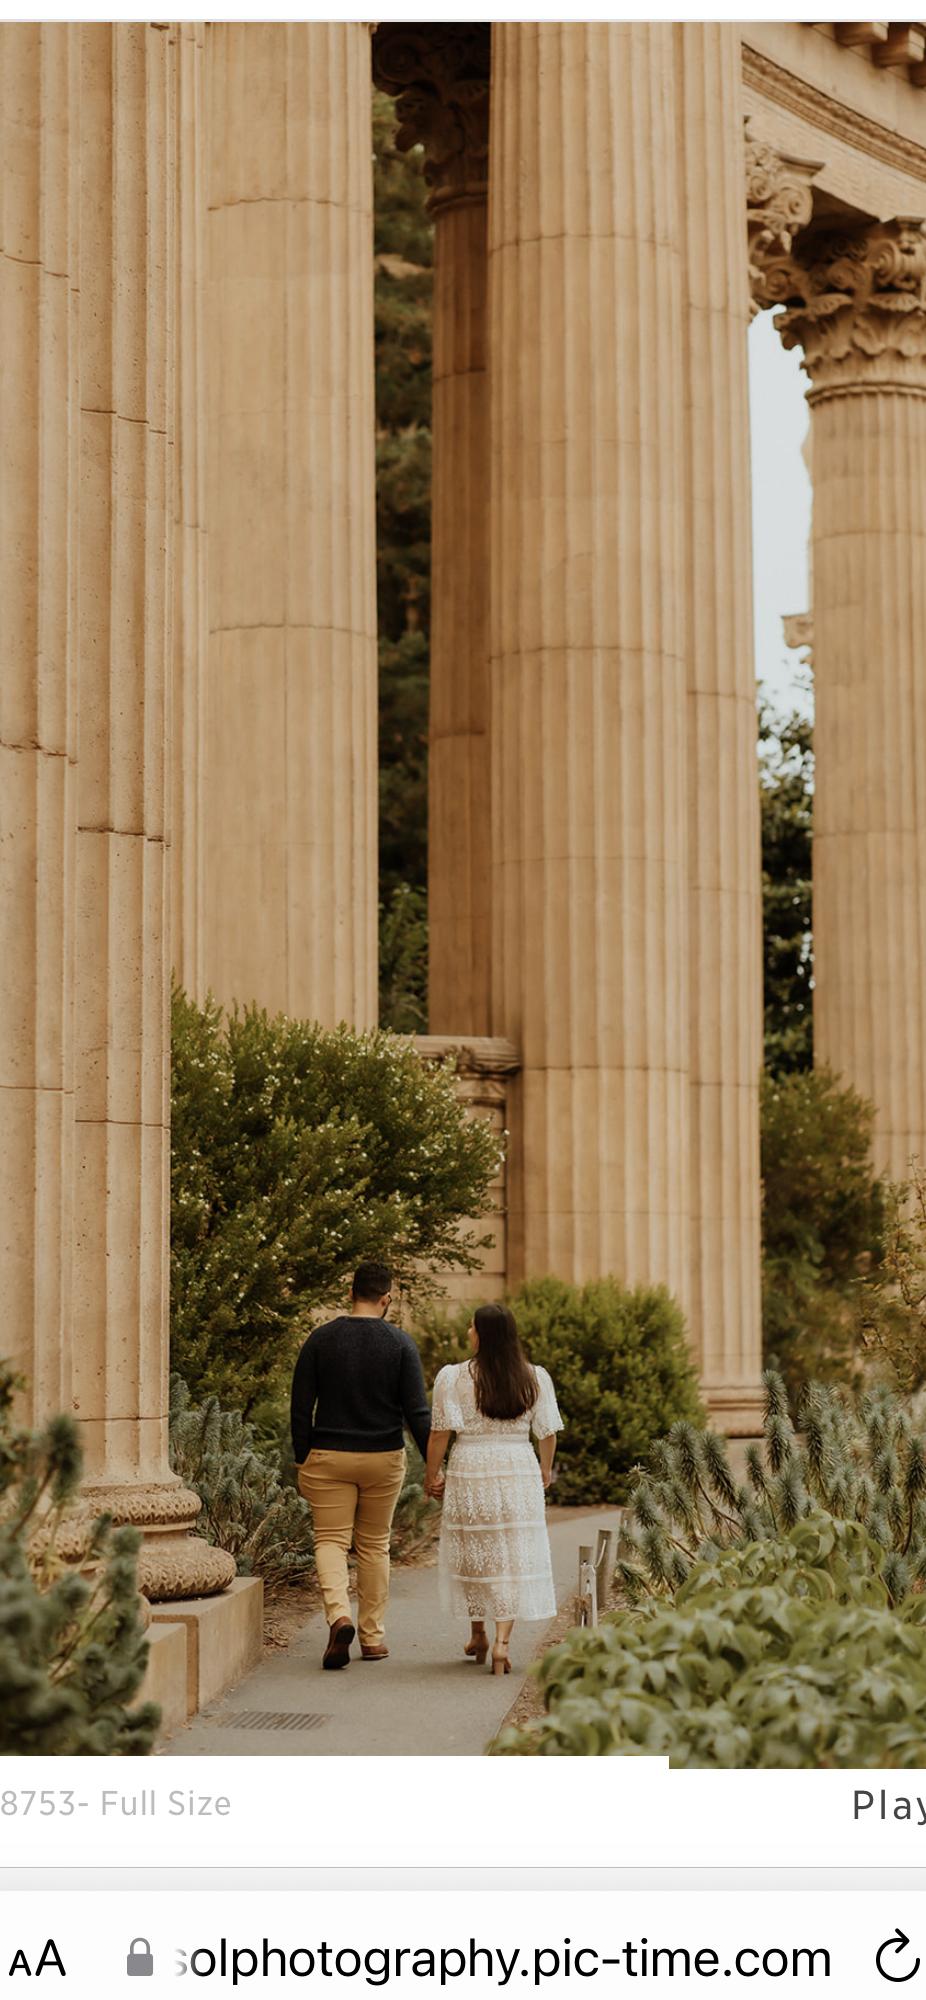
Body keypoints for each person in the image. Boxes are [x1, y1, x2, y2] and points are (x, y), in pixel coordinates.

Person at [291, 1260, 431, 1670]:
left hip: (329, 1455)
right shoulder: (401, 1343)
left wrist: (303, 1455)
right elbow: (417, 1412)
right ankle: (372, 1638)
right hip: (383, 1457)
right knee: (374, 1545)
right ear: (386, 1299)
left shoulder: (320, 1340)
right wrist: (435, 1465)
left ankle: (339, 1617)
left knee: (331, 1540)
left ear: (350, 1294)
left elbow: (301, 1406)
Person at [425, 1303, 563, 1676]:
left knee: (475, 1551)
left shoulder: (453, 1377)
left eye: (472, 1327)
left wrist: (431, 1474)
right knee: (512, 1555)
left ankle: (479, 1635)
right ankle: (501, 1643)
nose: (469, 1332)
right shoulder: (535, 1377)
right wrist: (545, 1470)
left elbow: (440, 1432)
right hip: (518, 1466)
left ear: (481, 1334)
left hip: (471, 1467)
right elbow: (547, 1432)